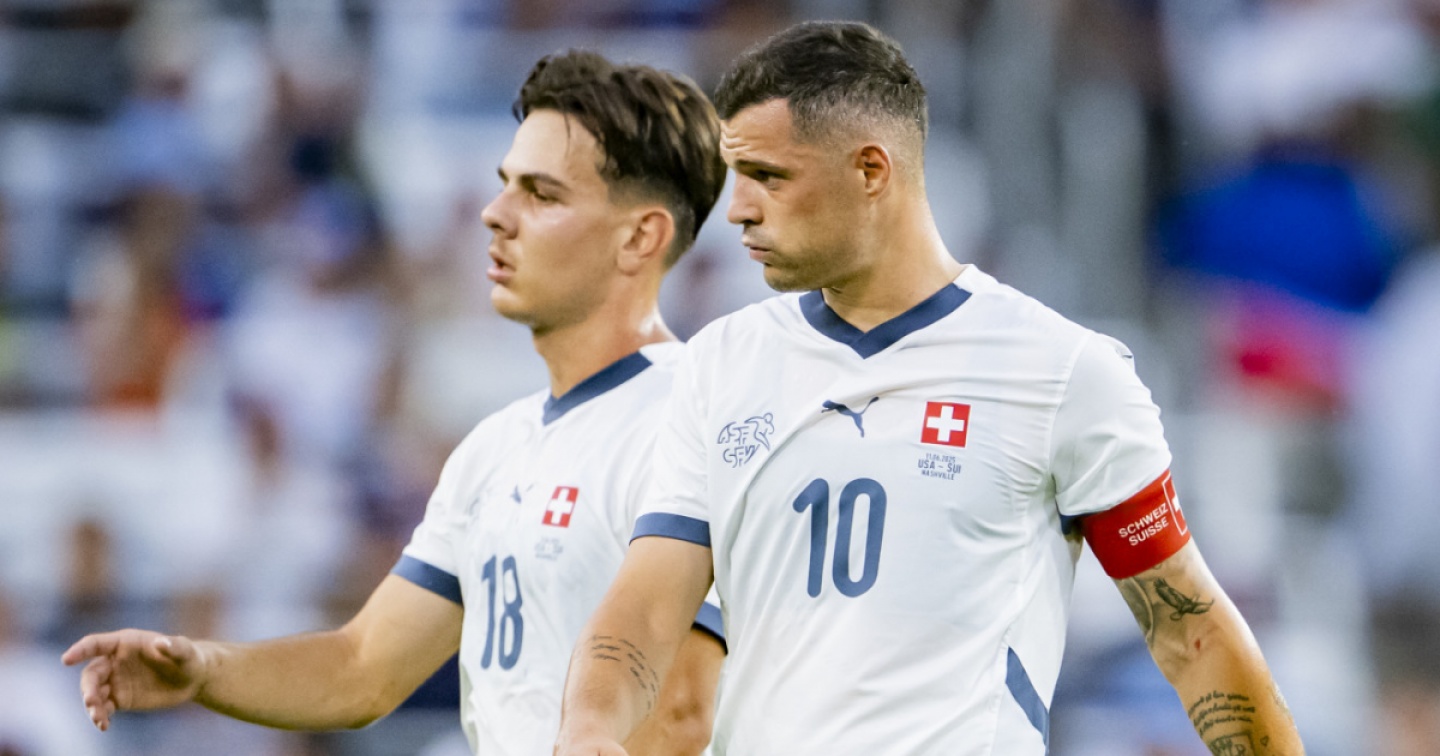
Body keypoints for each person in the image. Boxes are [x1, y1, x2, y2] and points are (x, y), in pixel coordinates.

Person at [553, 21, 1304, 756]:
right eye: (736, 176)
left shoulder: (1061, 372)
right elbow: (647, 610)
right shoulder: (721, 363)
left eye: (769, 177)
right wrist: (587, 728)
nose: (739, 209)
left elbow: (1189, 630)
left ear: (871, 172)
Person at [62, 50, 729, 756]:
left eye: (542, 195)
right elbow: (362, 670)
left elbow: (685, 710)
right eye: (505, 186)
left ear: (640, 237)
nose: (495, 214)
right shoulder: (493, 450)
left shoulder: (695, 423)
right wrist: (203, 669)